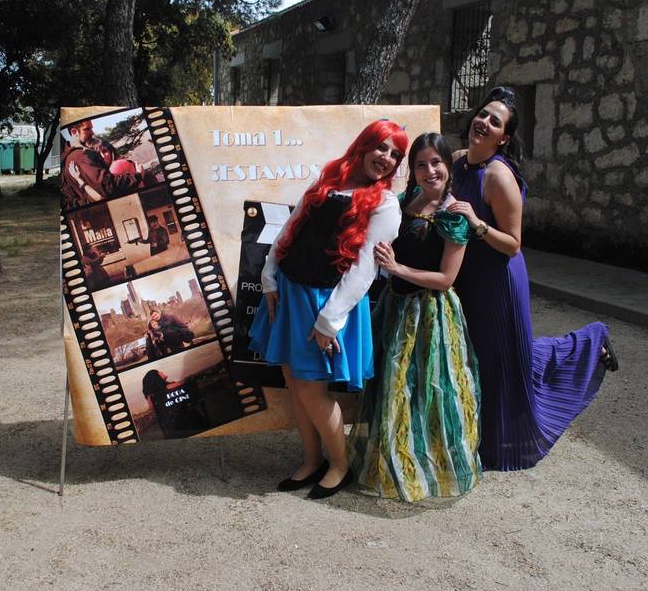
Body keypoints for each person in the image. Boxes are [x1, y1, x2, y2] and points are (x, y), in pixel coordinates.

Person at [448, 86, 618, 471]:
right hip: (468, 277)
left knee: (504, 358)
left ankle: (591, 343)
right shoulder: (458, 162)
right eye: (483, 114)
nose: (484, 122)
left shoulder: (498, 177)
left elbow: (513, 244)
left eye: (495, 121)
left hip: (498, 279)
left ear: (503, 137)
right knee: (489, 355)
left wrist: (476, 224)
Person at [248, 119, 407, 499]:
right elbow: (290, 230)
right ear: (364, 145)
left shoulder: (385, 204)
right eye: (381, 147)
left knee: (312, 388)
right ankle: (311, 459)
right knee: (295, 382)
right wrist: (270, 278)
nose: (386, 158)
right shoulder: (327, 183)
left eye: (395, 154)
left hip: (324, 304)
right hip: (291, 293)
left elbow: (365, 268)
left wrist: (328, 321)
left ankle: (339, 465)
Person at [349, 132, 482, 502]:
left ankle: (425, 467)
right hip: (396, 307)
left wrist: (396, 268)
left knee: (427, 391)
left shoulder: (454, 216)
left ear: (447, 165)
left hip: (430, 314)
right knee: (394, 389)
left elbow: (446, 279)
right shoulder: (408, 200)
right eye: (421, 165)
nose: (429, 171)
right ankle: (391, 461)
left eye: (436, 163)